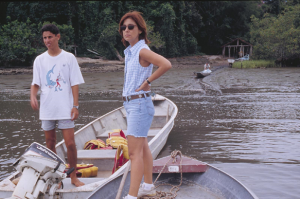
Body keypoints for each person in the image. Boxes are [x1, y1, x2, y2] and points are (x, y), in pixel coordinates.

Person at [119, 11, 172, 199]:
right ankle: (148, 186)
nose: (126, 30)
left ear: (140, 30)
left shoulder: (142, 51)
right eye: (124, 27)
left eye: (131, 27)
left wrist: (148, 81)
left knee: (134, 153)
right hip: (133, 105)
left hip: (139, 105)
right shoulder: (130, 52)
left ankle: (132, 196)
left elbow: (166, 64)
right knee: (143, 148)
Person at [30, 24, 85, 187]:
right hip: (47, 109)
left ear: (58, 37)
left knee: (70, 144)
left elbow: (75, 83)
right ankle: (56, 178)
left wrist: (75, 106)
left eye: (50, 37)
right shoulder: (39, 60)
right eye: (45, 38)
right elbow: (35, 83)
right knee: (50, 144)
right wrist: (32, 95)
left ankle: (73, 176)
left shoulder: (69, 58)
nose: (47, 40)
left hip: (65, 108)